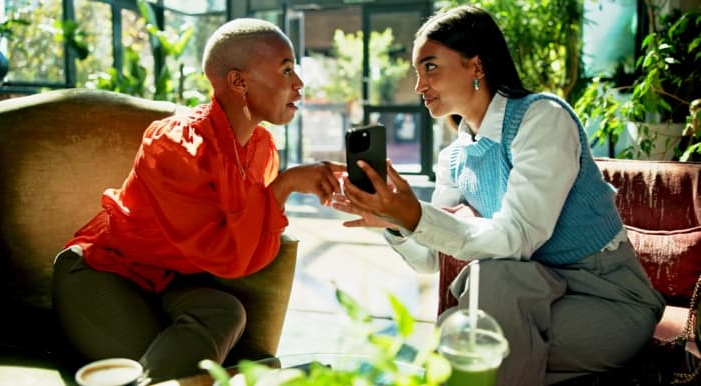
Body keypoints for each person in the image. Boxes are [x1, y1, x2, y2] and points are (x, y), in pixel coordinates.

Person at [333, 5, 665, 385]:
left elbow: (518, 237)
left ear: (476, 66)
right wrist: (394, 223)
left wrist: (416, 217)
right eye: (417, 72)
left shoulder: (542, 119)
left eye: (430, 67)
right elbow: (430, 258)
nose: (418, 86)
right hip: (527, 295)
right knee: (485, 296)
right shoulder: (455, 156)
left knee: (471, 331)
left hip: (605, 300)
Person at [52, 18, 343, 383]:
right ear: (238, 82)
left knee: (227, 311)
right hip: (99, 274)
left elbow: (252, 251)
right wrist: (282, 188)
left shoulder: (261, 149)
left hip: (163, 283)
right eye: (286, 71)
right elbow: (224, 253)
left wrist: (283, 189)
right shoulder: (178, 145)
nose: (299, 84)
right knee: (160, 374)